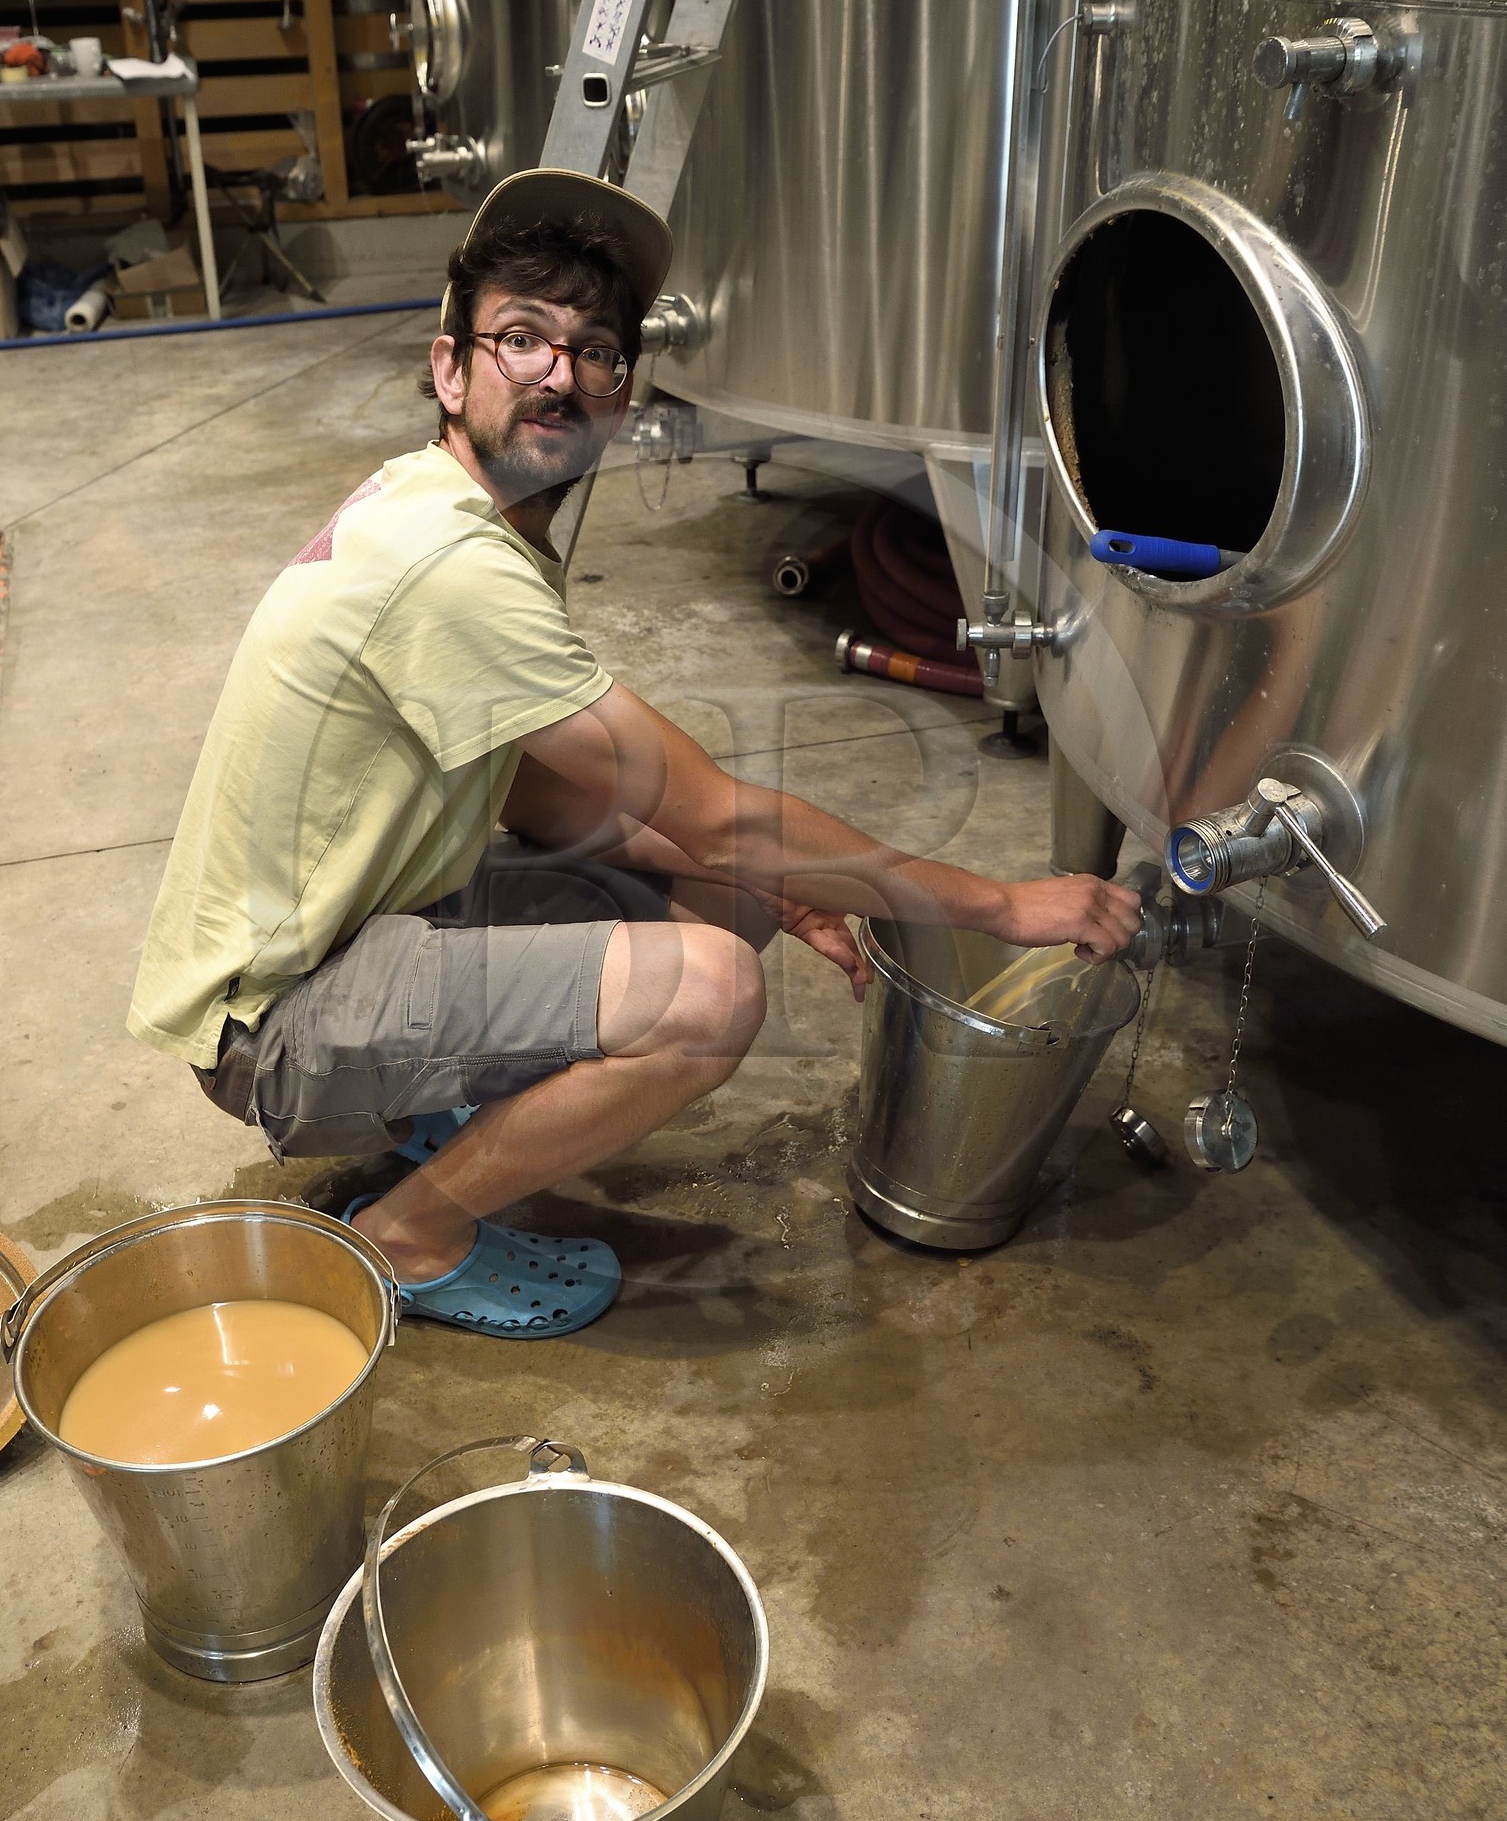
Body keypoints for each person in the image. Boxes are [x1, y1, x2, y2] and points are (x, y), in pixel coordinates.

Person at [129, 169, 1141, 1337]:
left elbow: (537, 798)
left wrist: (770, 880)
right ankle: (407, 1236)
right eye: (520, 339)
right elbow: (715, 809)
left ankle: (438, 1119)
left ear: (618, 399)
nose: (560, 373)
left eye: (596, 351)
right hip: (276, 1030)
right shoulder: (449, 564)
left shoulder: (447, 513)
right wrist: (999, 906)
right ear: (449, 371)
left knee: (732, 891)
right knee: (709, 994)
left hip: (359, 941)